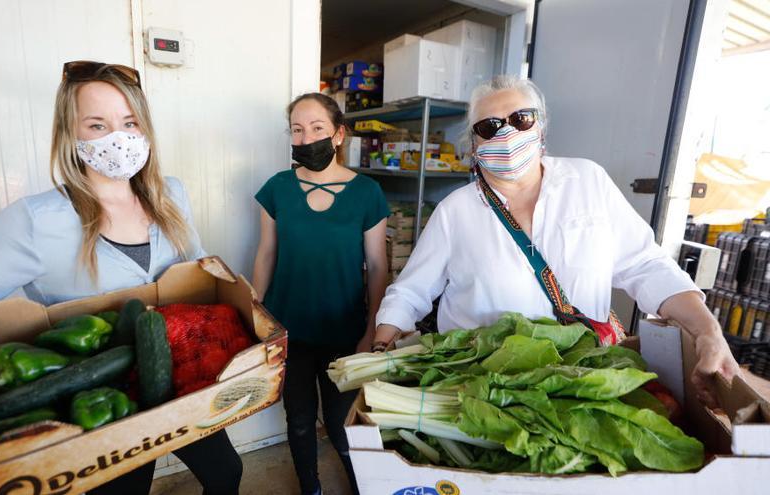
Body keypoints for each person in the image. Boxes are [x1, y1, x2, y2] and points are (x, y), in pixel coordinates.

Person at [0, 61, 242, 494]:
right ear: (70, 133)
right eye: (97, 125)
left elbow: (199, 276)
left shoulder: (171, 195)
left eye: (129, 122)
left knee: (226, 474)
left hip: (184, 377)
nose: (118, 138)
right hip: (100, 402)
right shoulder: (34, 222)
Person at [371, 75, 739, 407]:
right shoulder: (455, 211)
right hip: (481, 388)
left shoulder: (587, 181)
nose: (507, 135)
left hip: (580, 381)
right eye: (490, 126)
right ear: (473, 146)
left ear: (541, 128)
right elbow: (411, 291)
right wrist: (380, 348)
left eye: (521, 119)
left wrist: (707, 331)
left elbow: (645, 265)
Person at [252, 93, 389, 495]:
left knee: (340, 419)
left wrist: (371, 329)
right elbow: (265, 255)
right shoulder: (276, 189)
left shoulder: (367, 193)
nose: (306, 136)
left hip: (343, 329)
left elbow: (378, 268)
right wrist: (254, 316)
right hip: (287, 328)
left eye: (316, 128)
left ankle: (362, 484)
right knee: (297, 418)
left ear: (338, 135)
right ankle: (310, 486)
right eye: (297, 129)